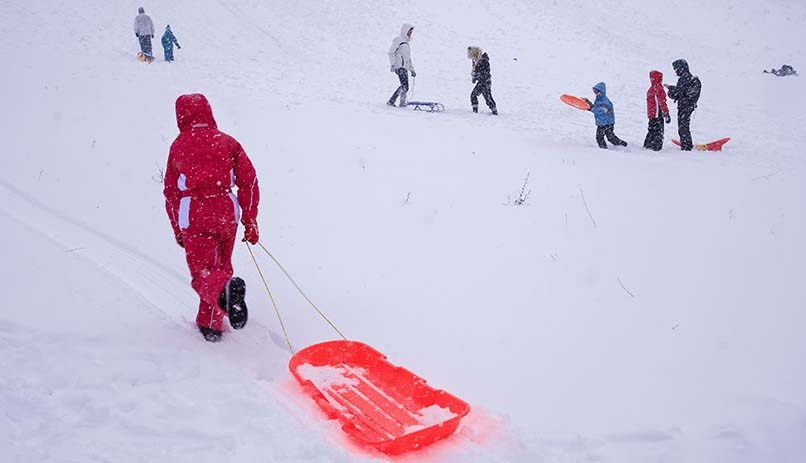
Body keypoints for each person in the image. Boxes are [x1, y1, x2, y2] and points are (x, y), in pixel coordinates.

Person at [163, 94, 261, 343]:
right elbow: (248, 180)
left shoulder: (179, 146)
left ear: (181, 116)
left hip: (195, 213)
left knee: (204, 273)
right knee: (221, 269)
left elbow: (171, 192)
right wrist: (250, 219)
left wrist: (177, 227)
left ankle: (224, 297)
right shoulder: (227, 142)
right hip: (226, 211)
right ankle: (210, 324)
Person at [665, 59, 701, 151]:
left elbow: (678, 93)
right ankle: (687, 143)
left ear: (681, 68)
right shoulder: (688, 77)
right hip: (688, 106)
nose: (675, 71)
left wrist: (670, 92)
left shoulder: (684, 78)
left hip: (684, 107)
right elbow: (682, 91)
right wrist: (671, 88)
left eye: (676, 69)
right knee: (684, 126)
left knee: (683, 127)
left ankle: (686, 146)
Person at [583, 82, 627, 149]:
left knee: (605, 137)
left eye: (597, 91)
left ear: (602, 91)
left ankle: (607, 150)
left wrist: (590, 108)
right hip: (602, 122)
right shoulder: (599, 99)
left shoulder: (605, 101)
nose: (595, 93)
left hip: (607, 123)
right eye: (594, 91)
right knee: (606, 137)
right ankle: (616, 145)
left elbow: (600, 111)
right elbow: (596, 108)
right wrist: (588, 103)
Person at [387, 23, 416, 108]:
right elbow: (391, 52)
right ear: (405, 30)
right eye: (409, 31)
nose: (410, 33)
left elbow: (408, 58)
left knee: (405, 86)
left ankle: (402, 102)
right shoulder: (398, 40)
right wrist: (392, 64)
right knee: (404, 86)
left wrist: (412, 69)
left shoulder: (407, 43)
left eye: (411, 31)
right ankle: (392, 101)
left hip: (405, 67)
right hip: (399, 66)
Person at [643, 70, 671, 151]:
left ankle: (647, 145)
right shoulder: (659, 88)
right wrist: (666, 112)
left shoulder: (651, 89)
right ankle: (656, 147)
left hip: (651, 114)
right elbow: (662, 101)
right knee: (659, 130)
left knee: (651, 129)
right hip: (657, 113)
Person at [467, 46, 498, 115]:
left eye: (471, 54)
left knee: (487, 97)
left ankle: (494, 111)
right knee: (475, 95)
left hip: (485, 81)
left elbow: (485, 73)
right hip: (482, 81)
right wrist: (474, 76)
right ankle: (475, 111)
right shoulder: (476, 61)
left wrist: (476, 75)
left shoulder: (483, 61)